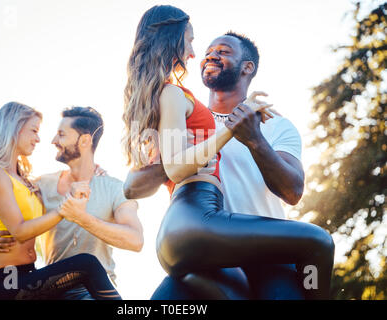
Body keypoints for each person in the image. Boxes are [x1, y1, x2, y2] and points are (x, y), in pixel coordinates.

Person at [122, 5, 335, 300]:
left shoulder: (275, 124)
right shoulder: (185, 115)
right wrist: (184, 151)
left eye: (222, 51)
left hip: (270, 257)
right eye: (206, 49)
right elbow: (132, 186)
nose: (209, 54)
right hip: (210, 255)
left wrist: (253, 138)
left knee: (305, 271)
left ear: (247, 67)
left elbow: (293, 191)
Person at [0, 102, 122, 300]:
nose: (38, 139)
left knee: (85, 275)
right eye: (33, 131)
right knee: (87, 265)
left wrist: (91, 170)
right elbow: (19, 231)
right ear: (14, 128)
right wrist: (65, 209)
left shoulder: (25, 180)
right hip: (6, 283)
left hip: (29, 275)